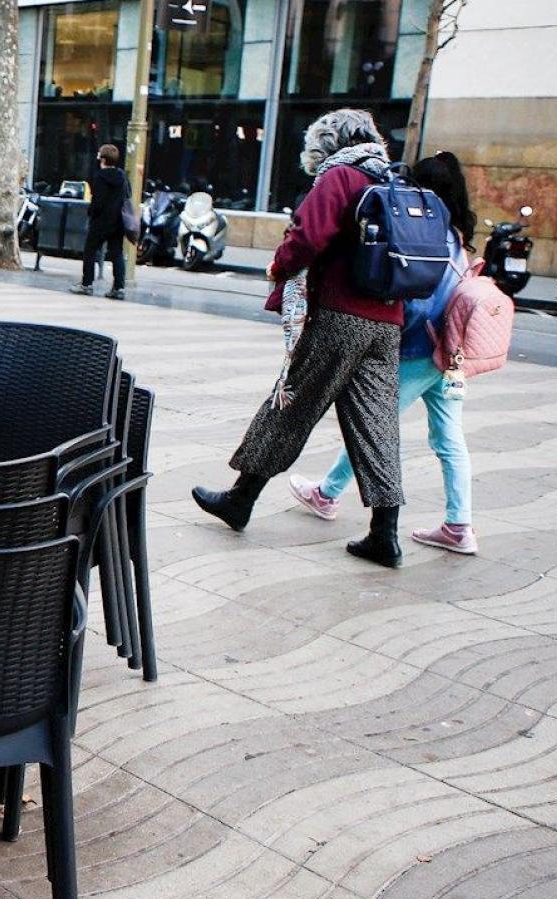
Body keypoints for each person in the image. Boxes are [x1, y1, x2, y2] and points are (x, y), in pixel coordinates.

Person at [191, 109, 408, 568]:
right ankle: (384, 533)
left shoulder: (341, 177)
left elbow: (308, 236)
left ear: (326, 145)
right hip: (388, 319)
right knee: (378, 422)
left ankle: (240, 499)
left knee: (289, 405)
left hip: (339, 315)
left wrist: (281, 265)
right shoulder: (392, 179)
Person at [287, 151, 479, 554]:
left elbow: (420, 303)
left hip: (418, 351)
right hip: (450, 353)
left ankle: (326, 492)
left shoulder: (426, 231)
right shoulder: (458, 236)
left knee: (374, 429)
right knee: (447, 438)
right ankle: (459, 525)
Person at [70, 143, 128, 300]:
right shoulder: (122, 176)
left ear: (103, 159)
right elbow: (126, 197)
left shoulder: (100, 177)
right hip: (118, 221)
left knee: (90, 251)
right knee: (117, 253)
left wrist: (91, 213)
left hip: (101, 221)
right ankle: (119, 287)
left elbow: (98, 201)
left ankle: (87, 284)